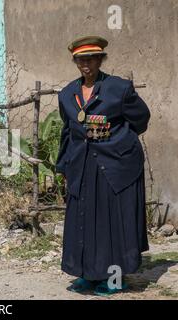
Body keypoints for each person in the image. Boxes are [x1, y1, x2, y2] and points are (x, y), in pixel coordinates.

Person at [56, 36, 151, 296]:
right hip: (82, 165)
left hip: (116, 166)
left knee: (112, 223)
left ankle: (113, 278)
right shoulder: (67, 94)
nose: (86, 64)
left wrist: (118, 141)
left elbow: (140, 119)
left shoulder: (118, 89)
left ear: (100, 60)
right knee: (83, 221)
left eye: (91, 59)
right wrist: (63, 165)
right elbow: (68, 131)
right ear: (75, 62)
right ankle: (87, 274)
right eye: (80, 60)